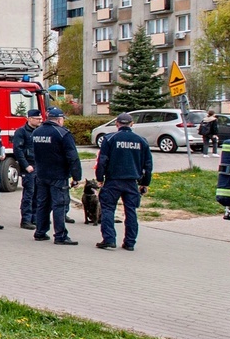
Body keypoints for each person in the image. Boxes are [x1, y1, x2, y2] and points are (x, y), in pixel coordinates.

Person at [94, 113, 152, 251]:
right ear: (132, 124)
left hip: (113, 181)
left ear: (117, 124)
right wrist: (145, 183)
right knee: (131, 211)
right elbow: (148, 164)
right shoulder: (141, 140)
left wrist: (99, 178)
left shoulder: (109, 139)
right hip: (132, 182)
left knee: (108, 209)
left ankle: (109, 239)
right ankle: (130, 242)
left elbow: (102, 161)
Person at [31, 107, 82, 246]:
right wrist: (76, 176)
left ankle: (40, 232)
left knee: (43, 204)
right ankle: (60, 235)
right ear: (59, 120)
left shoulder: (37, 132)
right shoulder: (62, 133)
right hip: (58, 175)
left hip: (41, 174)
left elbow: (34, 153)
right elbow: (73, 157)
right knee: (59, 204)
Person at [13, 108, 41, 229]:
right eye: (37, 119)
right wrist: (25, 165)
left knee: (38, 194)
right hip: (28, 167)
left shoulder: (40, 131)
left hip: (39, 167)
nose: (40, 120)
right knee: (29, 194)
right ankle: (26, 219)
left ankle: (35, 218)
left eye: (40, 118)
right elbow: (18, 151)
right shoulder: (21, 132)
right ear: (29, 119)